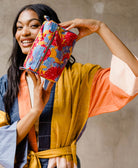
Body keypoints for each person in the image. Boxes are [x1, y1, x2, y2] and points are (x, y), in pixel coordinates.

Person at [0, 3, 137, 168]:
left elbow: (133, 74)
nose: (24, 33)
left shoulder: (79, 78)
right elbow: (2, 142)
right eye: (19, 27)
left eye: (34, 25)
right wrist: (35, 111)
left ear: (54, 30)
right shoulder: (7, 84)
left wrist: (100, 28)